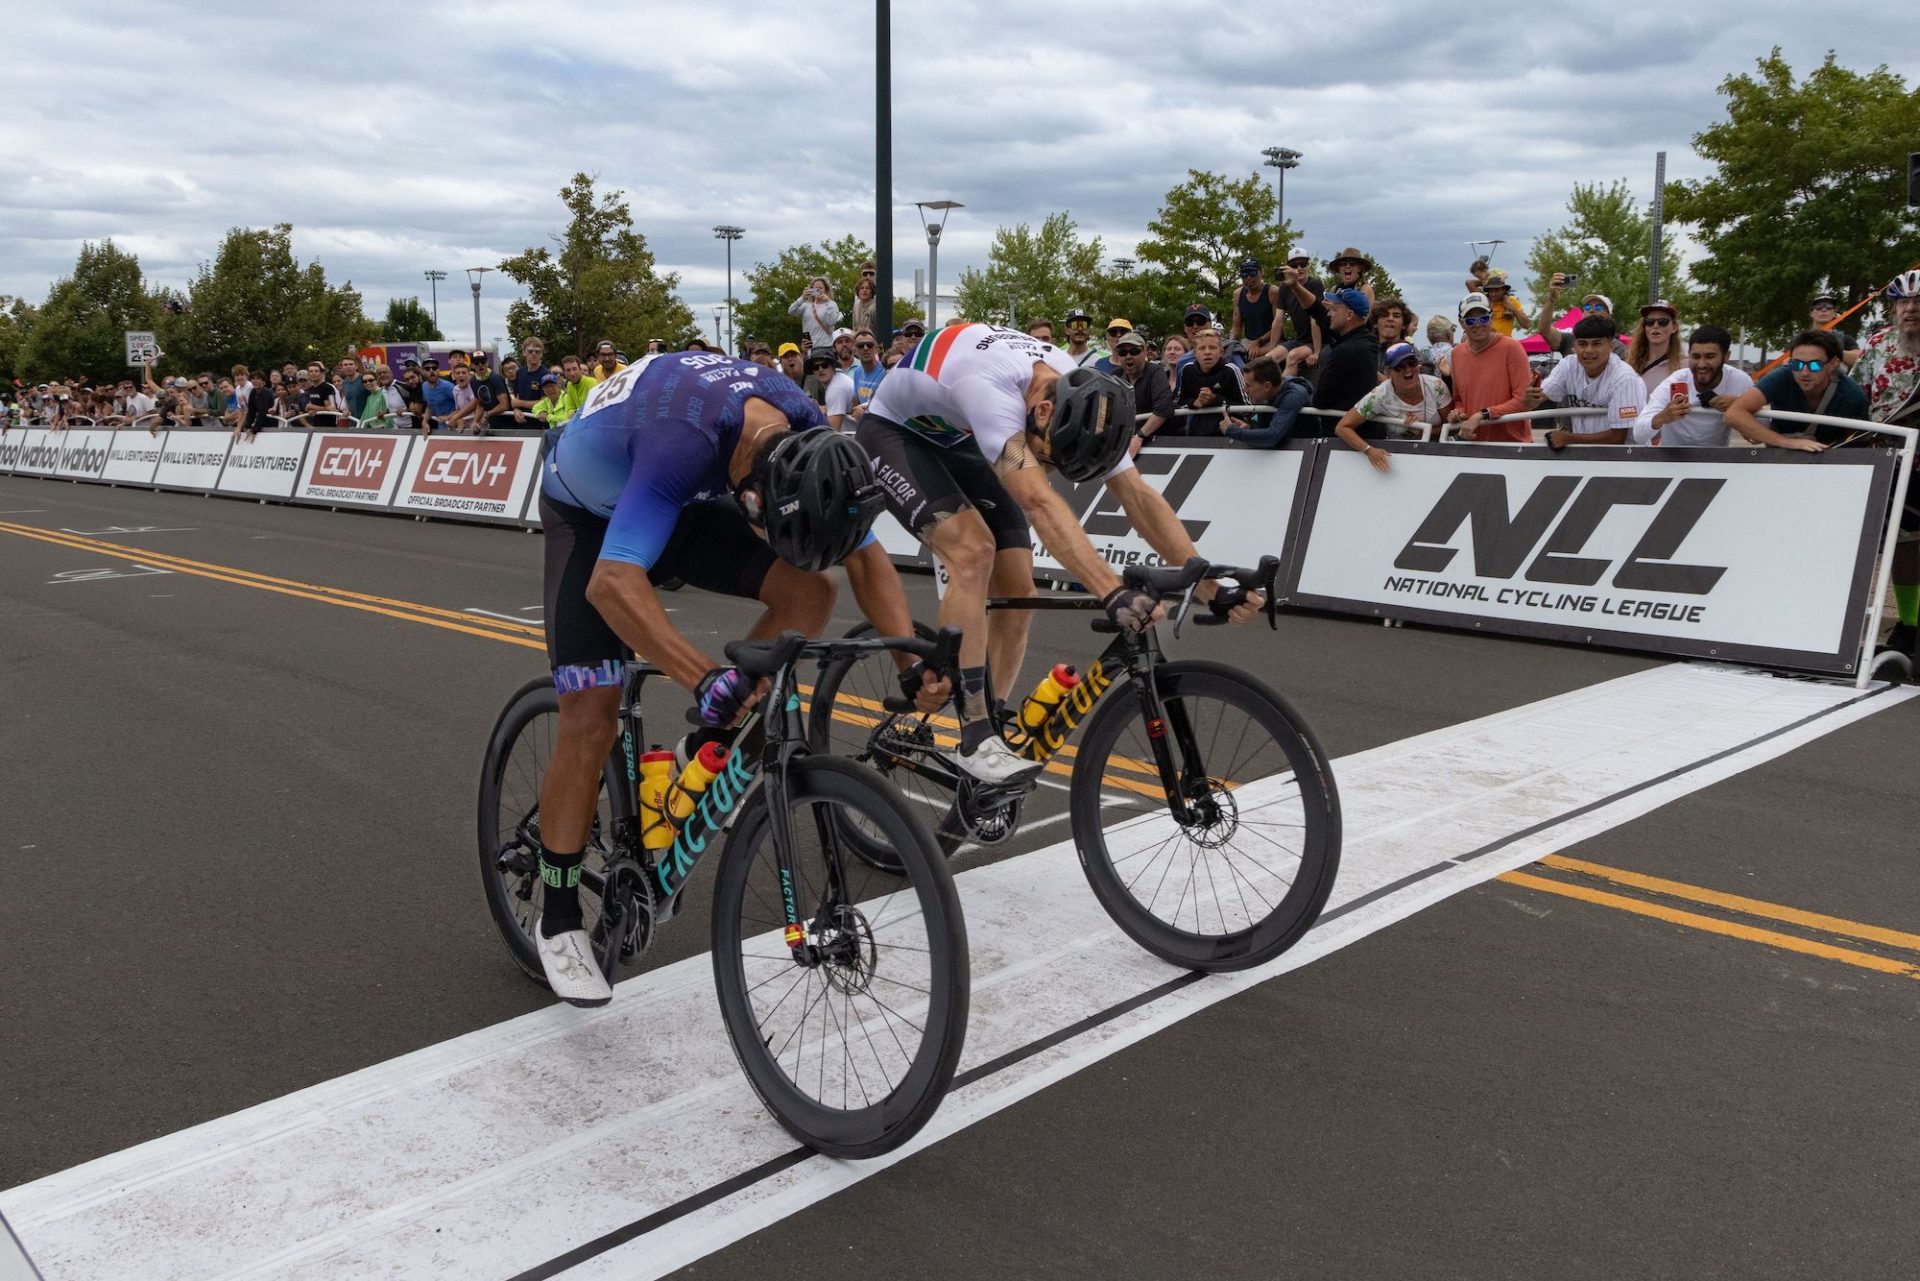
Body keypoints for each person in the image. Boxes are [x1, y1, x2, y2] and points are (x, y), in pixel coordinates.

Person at [533, 352, 889, 1004]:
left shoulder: (802, 427)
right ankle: (556, 914)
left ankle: (709, 756)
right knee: (591, 714)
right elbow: (611, 584)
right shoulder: (684, 440)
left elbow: (863, 557)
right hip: (591, 512)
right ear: (753, 497)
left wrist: (916, 659)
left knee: (810, 585)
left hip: (683, 492)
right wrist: (702, 677)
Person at [857, 323, 1265, 785]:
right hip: (896, 434)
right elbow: (1038, 500)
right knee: (972, 551)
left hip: (962, 435)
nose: (1048, 470)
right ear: (1043, 411)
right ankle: (975, 735)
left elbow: (1136, 495)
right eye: (1050, 460)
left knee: (1018, 587)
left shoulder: (1085, 397)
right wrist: (1112, 592)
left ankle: (993, 719)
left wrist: (1209, 586)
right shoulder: (987, 387)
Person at [1847, 270, 1920, 656]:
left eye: (1918, 301)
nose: (1911, 309)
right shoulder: (1878, 345)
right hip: (1889, 460)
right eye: (1903, 302)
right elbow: (1856, 398)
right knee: (1903, 546)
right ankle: (1910, 625)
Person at [1721, 329, 1869, 451]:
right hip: (1782, 456)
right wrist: (1786, 442)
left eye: (1814, 365)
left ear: (1834, 364)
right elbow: (1733, 414)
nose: (1804, 372)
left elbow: (1858, 445)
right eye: (1796, 364)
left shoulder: (1853, 396)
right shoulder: (1781, 377)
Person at [1524, 314, 1644, 448]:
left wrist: (1568, 438)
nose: (1588, 350)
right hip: (1585, 457)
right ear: (1574, 346)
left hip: (1625, 460)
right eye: (1582, 344)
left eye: (1596, 344)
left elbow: (1618, 437)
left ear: (1610, 346)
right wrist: (1530, 400)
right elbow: (1535, 400)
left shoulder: (1625, 378)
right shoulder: (1568, 365)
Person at [1335, 342, 1452, 469]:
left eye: (1412, 363)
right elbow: (1342, 427)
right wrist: (1369, 450)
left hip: (1441, 453)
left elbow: (1452, 428)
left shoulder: (1436, 385)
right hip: (1400, 458)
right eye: (1399, 366)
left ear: (1418, 366)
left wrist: (1423, 431)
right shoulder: (1379, 395)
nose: (1407, 370)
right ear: (1389, 373)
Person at [1637, 324, 1752, 448]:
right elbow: (1638, 434)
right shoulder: (1674, 382)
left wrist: (1741, 406)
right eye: (1696, 357)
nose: (1701, 364)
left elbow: (1757, 436)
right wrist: (1661, 418)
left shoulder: (1740, 381)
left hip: (1716, 461)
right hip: (1671, 460)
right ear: (1689, 355)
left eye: (1710, 356)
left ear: (1726, 357)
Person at [1446, 293, 1532, 443]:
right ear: (1462, 323)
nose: (1478, 324)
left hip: (1512, 445)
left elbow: (1523, 401)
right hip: (1473, 444)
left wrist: (1483, 414)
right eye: (1471, 320)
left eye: (1484, 318)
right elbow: (1459, 400)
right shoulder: (1456, 354)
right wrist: (1458, 413)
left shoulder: (1512, 348)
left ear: (1491, 318)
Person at [1295, 288, 1379, 433]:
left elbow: (1320, 401)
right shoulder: (1369, 340)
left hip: (1341, 435)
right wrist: (1295, 285)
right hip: (1365, 428)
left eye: (1333, 309)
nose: (1329, 314)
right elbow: (1321, 315)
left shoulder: (1344, 351)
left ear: (1349, 315)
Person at [1222, 348, 1315, 448]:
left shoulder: (1293, 396)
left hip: (1306, 452)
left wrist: (1232, 431)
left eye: (1248, 385)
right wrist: (1249, 429)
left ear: (1267, 386)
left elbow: (1272, 436)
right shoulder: (1270, 392)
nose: (1245, 390)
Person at [1172, 329, 1245, 438]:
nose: (1207, 352)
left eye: (1212, 347)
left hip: (1228, 437)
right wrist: (1194, 402)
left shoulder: (1231, 371)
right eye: (1202, 348)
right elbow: (1177, 403)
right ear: (1195, 353)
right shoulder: (1186, 370)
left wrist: (1215, 399)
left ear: (1221, 352)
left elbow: (1246, 408)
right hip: (1195, 437)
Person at [1110, 330, 1174, 452]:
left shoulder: (1155, 372)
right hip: (1121, 445)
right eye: (1123, 352)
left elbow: (1165, 407)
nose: (1128, 356)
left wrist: (1139, 436)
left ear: (1144, 352)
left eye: (1134, 351)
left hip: (1155, 444)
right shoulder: (1114, 377)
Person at [1532, 277, 1613, 356]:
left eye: (1598, 307)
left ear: (1608, 316)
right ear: (1583, 314)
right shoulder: (1570, 340)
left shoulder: (1617, 346)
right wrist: (1551, 299)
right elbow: (1544, 330)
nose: (1591, 310)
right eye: (1587, 307)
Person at [1229, 260, 1284, 359]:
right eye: (1244, 275)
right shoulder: (1238, 294)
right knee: (1231, 353)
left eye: (1253, 273)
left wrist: (1258, 342)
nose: (1249, 278)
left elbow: (1278, 325)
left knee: (1256, 355)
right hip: (1249, 341)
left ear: (1261, 273)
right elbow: (1236, 328)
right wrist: (1230, 344)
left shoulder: (1272, 292)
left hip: (1272, 340)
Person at [1627, 301, 1682, 394]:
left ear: (1674, 327)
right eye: (1649, 322)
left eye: (1663, 322)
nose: (1655, 326)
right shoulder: (1630, 365)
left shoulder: (1685, 366)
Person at [1810, 293, 1864, 368]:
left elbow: (1860, 358)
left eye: (1829, 307)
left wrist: (1833, 351)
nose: (1824, 309)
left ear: (1834, 313)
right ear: (1811, 313)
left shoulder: (1845, 339)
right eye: (1818, 306)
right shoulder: (1801, 339)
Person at [845, 328, 887, 419]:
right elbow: (856, 404)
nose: (865, 348)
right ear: (855, 350)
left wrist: (864, 413)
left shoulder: (885, 372)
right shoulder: (857, 372)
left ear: (876, 349)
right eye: (860, 345)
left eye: (869, 345)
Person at [789, 277, 840, 348]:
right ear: (811, 290)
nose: (818, 290)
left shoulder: (832, 304)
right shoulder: (806, 305)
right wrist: (802, 298)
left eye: (821, 288)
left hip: (826, 345)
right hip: (809, 346)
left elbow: (832, 322)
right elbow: (791, 311)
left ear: (826, 290)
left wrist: (828, 301)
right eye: (816, 288)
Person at [1480, 269, 1529, 337]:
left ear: (1503, 290)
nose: (1493, 294)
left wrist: (1513, 310)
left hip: (1504, 342)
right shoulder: (1483, 301)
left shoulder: (1511, 301)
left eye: (1496, 290)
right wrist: (1485, 280)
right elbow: (1469, 283)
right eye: (1490, 291)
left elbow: (1526, 325)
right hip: (1485, 342)